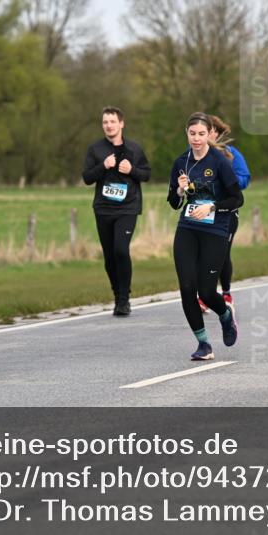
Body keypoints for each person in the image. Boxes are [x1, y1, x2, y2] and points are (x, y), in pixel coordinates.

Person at [167, 112, 242, 361]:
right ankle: (203, 344)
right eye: (192, 134)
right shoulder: (181, 162)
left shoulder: (219, 161)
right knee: (187, 287)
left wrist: (212, 207)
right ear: (186, 134)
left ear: (209, 134)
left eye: (201, 134)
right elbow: (174, 202)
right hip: (187, 228)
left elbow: (237, 199)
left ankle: (225, 315)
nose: (196, 139)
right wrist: (179, 190)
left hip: (215, 229)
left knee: (207, 293)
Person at [82, 106, 152, 317]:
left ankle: (124, 299)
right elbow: (87, 178)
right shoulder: (96, 150)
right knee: (110, 257)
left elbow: (146, 174)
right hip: (103, 209)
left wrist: (131, 170)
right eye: (105, 122)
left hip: (127, 208)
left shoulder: (134, 149)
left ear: (121, 123)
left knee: (121, 250)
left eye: (112, 121)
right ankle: (117, 294)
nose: (109, 125)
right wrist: (103, 166)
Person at [196, 115, 250, 313]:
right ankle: (204, 296)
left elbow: (244, 178)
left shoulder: (230, 154)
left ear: (216, 134)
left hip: (226, 212)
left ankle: (226, 293)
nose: (205, 135)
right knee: (201, 254)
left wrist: (226, 178)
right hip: (201, 211)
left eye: (209, 131)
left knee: (221, 253)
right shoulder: (194, 154)